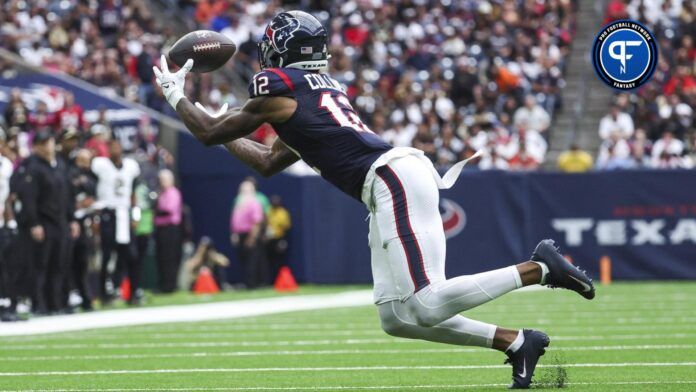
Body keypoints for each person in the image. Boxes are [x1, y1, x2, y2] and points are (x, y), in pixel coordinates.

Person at [153, 11, 595, 388]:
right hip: (387, 181)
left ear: (282, 51)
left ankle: (538, 268)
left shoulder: (279, 87)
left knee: (425, 300)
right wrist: (211, 118)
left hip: (392, 177)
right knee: (396, 316)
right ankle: (517, 343)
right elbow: (268, 161)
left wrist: (176, 96)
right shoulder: (311, 93)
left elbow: (211, 134)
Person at [13, 131, 78, 314]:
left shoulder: (59, 166)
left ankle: (56, 303)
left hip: (60, 222)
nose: (48, 146)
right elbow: (29, 198)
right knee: (40, 265)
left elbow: (67, 196)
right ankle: (38, 303)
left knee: (59, 265)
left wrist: (72, 219)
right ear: (37, 146)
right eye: (44, 143)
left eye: (49, 141)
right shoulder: (32, 167)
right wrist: (34, 223)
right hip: (43, 222)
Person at [91, 139, 141, 304]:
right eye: (112, 147)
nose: (115, 150)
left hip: (125, 214)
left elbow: (134, 193)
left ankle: (134, 292)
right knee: (106, 256)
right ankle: (103, 294)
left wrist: (136, 215)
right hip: (108, 214)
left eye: (117, 146)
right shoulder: (101, 165)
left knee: (132, 256)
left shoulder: (130, 167)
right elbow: (92, 188)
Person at [230, 180, 265, 289]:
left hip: (250, 234)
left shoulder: (254, 203)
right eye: (242, 190)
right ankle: (247, 283)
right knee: (244, 261)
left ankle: (253, 284)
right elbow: (235, 220)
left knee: (252, 261)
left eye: (246, 190)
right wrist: (234, 234)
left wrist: (252, 237)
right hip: (240, 234)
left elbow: (257, 222)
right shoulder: (238, 203)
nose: (243, 192)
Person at [154, 169, 183, 293]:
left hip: (170, 229)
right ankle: (163, 284)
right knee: (162, 258)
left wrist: (155, 211)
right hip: (161, 229)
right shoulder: (162, 193)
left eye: (163, 180)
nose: (161, 182)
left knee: (169, 257)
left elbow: (168, 210)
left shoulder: (173, 193)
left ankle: (169, 286)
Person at [266, 195, 291, 283]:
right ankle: (270, 281)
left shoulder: (283, 213)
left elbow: (286, 228)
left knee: (279, 261)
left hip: (279, 239)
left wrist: (283, 241)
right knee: (269, 261)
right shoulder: (269, 211)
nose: (274, 203)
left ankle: (280, 281)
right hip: (269, 240)